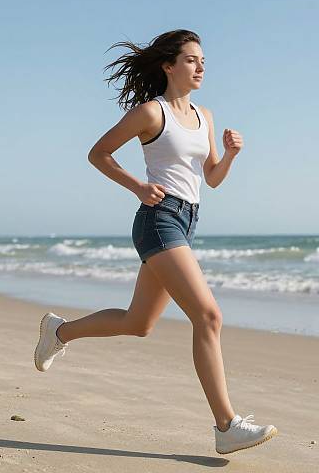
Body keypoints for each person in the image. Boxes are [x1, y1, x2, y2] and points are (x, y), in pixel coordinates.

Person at [34, 29, 278, 454]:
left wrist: (232, 154)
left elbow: (212, 180)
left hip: (186, 221)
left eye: (202, 61)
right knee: (209, 316)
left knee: (138, 323)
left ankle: (60, 331)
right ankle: (226, 425)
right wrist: (138, 187)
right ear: (168, 66)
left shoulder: (205, 116)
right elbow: (99, 153)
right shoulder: (152, 113)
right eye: (191, 60)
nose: (200, 67)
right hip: (157, 220)